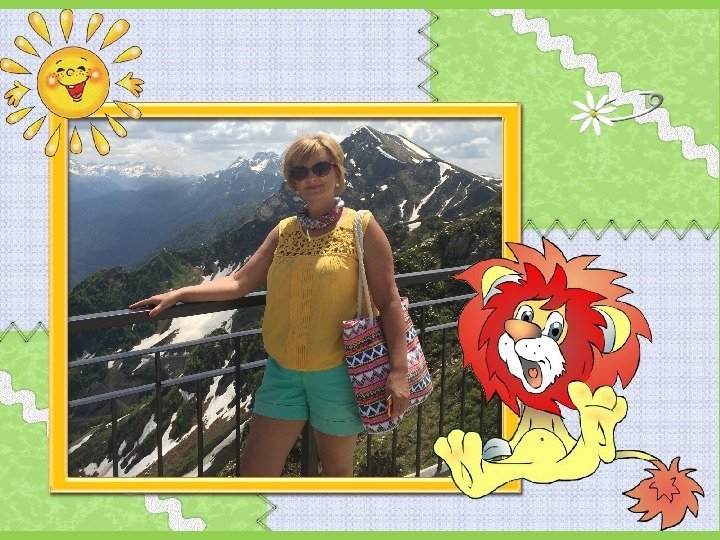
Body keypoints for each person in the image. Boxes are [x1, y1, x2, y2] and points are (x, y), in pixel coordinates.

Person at [130, 133, 409, 477]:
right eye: (300, 172)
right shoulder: (284, 231)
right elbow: (239, 282)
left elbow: (389, 301)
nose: (311, 178)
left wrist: (399, 372)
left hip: (338, 373)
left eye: (321, 168)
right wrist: (180, 294)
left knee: (336, 475)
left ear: (337, 173)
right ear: (293, 183)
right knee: (254, 474)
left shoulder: (362, 227)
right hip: (283, 372)